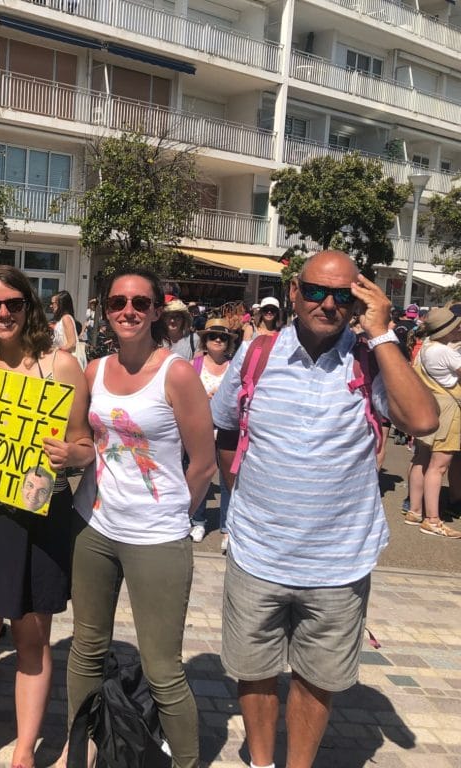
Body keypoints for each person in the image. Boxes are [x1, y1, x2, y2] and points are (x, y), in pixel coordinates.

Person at [211, 251, 437, 768]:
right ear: (294, 292)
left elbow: (422, 421)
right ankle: (262, 762)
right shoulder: (257, 354)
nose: (328, 303)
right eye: (315, 291)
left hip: (338, 560)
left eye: (343, 295)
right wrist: (236, 487)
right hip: (257, 551)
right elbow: (225, 424)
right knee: (255, 669)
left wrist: (382, 334)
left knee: (318, 677)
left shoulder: (367, 359)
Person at [0, 264, 93, 768]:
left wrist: (72, 456)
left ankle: (24, 750)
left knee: (31, 635)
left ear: (29, 306)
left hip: (38, 517)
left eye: (13, 303)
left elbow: (86, 444)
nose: (3, 313)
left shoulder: (61, 365)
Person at [66, 267, 215, 768]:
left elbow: (204, 464)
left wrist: (173, 517)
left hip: (157, 539)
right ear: (105, 310)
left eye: (140, 303)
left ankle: (187, 762)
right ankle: (79, 752)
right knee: (86, 651)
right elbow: (86, 445)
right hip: (96, 529)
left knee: (162, 670)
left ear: (157, 311)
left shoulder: (177, 373)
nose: (128, 311)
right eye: (117, 302)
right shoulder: (95, 369)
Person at [405, 306, 461, 538]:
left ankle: (415, 510)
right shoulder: (446, 352)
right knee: (439, 466)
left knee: (421, 459)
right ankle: (433, 519)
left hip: (430, 406)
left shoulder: (426, 346)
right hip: (449, 408)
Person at [188, 318, 235, 551]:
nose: (218, 340)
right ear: (205, 340)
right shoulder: (193, 365)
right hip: (201, 428)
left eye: (223, 337)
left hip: (227, 431)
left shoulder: (235, 366)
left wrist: (224, 398)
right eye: (213, 336)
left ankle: (227, 526)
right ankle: (197, 520)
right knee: (200, 475)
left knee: (228, 481)